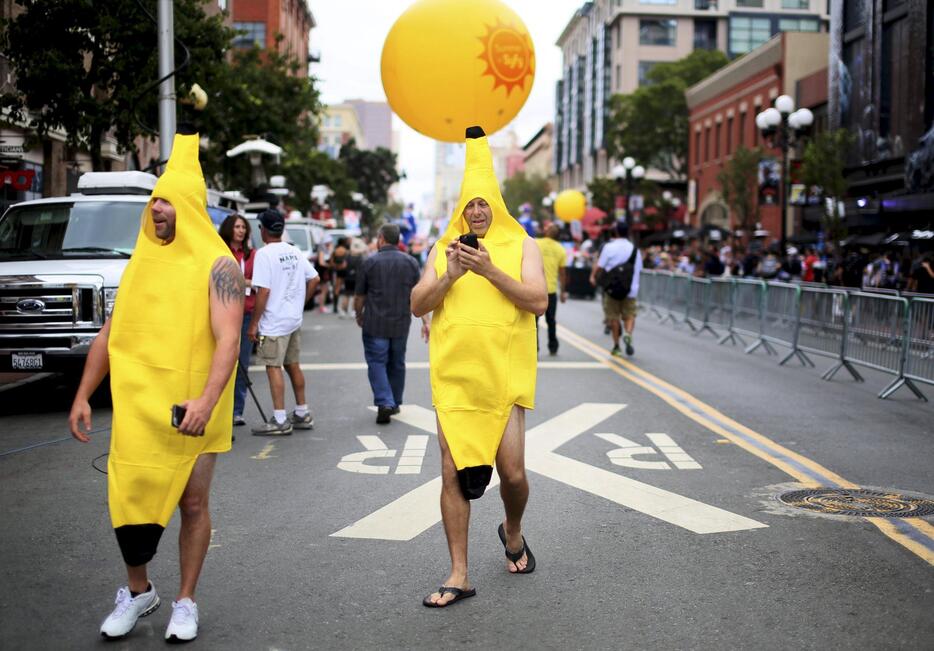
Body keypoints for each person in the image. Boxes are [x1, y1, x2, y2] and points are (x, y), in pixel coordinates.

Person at [68, 129, 242, 643]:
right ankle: (139, 591)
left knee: (191, 504)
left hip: (194, 408)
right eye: (155, 199)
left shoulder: (219, 266)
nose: (158, 208)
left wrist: (207, 402)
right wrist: (82, 394)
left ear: (189, 206)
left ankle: (185, 600)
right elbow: (110, 333)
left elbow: (228, 340)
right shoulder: (139, 261)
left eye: (167, 200)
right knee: (132, 499)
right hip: (140, 407)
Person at [411, 126, 547, 608]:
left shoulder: (522, 245)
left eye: (484, 203)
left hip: (503, 381)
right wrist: (450, 274)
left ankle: (512, 528)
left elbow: (538, 301)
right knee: (452, 473)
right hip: (454, 381)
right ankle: (459, 573)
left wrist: (489, 269)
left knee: (512, 474)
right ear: (461, 210)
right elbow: (416, 303)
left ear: (498, 205)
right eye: (470, 205)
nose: (477, 211)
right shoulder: (442, 249)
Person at [248, 209, 320, 435]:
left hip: (274, 321)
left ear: (263, 230)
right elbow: (315, 278)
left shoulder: (264, 254)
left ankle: (279, 419)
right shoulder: (294, 251)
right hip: (292, 319)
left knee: (273, 366)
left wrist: (253, 323)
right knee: (293, 364)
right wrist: (300, 303)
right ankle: (302, 412)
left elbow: (263, 291)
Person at [354, 223, 425, 423]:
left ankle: (384, 401)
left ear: (382, 239)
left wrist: (358, 314)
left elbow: (359, 296)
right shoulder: (410, 262)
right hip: (401, 322)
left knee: (377, 362)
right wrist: (425, 320)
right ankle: (394, 402)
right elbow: (418, 294)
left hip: (375, 323)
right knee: (397, 362)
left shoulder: (369, 262)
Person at [219, 214, 255, 427]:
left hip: (246, 313)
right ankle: (221, 410)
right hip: (224, 312)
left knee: (242, 364)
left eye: (244, 227)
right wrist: (244, 282)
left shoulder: (252, 255)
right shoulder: (221, 251)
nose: (241, 230)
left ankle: (237, 411)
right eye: (237, 226)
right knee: (224, 362)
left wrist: (242, 281)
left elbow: (259, 281)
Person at [590, 221, 643, 356]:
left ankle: (616, 346)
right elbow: (639, 269)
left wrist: (593, 276)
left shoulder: (609, 247)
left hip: (612, 289)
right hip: (631, 289)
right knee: (630, 314)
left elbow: (600, 265)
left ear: (616, 231)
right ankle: (628, 333)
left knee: (613, 317)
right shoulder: (635, 249)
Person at [535, 223, 568, 355]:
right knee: (551, 320)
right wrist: (563, 291)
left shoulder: (536, 243)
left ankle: (535, 347)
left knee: (533, 321)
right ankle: (553, 346)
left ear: (546, 232)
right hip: (551, 290)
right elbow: (562, 273)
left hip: (536, 288)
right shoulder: (560, 249)